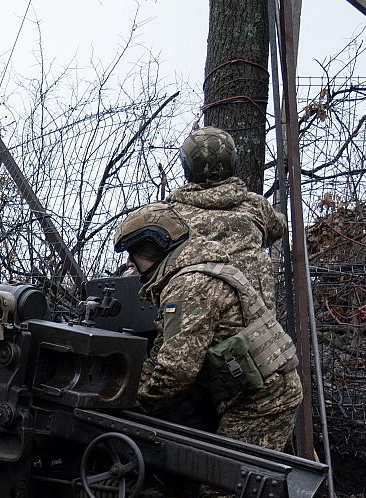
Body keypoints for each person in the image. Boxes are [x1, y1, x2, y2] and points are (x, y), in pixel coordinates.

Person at [114, 202, 301, 452]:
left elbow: (175, 372)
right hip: (257, 392)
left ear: (151, 249)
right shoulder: (196, 272)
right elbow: (165, 351)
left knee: (226, 489)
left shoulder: (188, 286)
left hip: (260, 402)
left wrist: (125, 403)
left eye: (133, 253)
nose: (131, 263)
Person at [168, 126, 286, 304]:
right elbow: (279, 227)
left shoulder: (168, 214)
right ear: (233, 162)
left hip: (190, 321)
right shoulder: (255, 205)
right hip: (256, 326)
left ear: (187, 165)